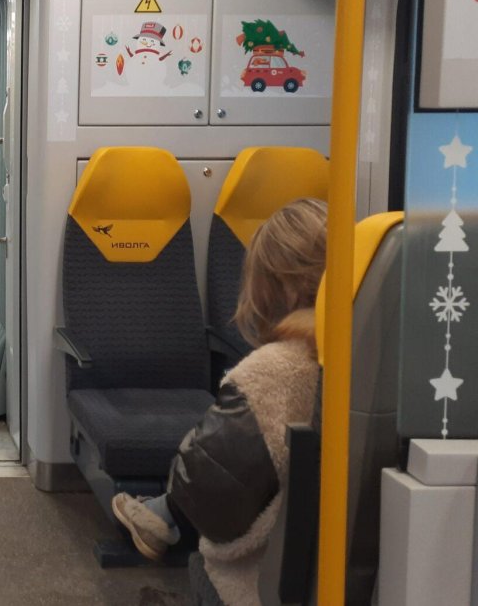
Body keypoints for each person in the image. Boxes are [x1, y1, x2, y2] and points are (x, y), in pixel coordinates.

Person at [111, 197, 328, 606]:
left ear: (276, 287)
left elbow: (205, 496)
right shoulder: (375, 356)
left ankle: (155, 516)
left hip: (261, 584)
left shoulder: (272, 373)